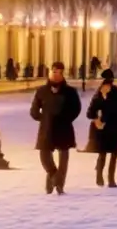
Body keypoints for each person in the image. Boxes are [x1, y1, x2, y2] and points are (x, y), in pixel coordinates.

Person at [30, 61, 82, 194]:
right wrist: (43, 118)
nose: (57, 75)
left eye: (59, 73)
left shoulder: (70, 92)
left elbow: (76, 108)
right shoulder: (42, 91)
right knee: (44, 157)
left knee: (63, 158)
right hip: (47, 128)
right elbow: (34, 110)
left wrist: (66, 118)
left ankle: (59, 186)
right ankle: (54, 176)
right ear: (50, 72)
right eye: (54, 72)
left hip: (64, 128)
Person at [85, 69, 117, 187]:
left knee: (114, 154)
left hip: (114, 126)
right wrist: (97, 117)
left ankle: (111, 178)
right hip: (102, 129)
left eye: (108, 82)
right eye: (105, 82)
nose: (106, 84)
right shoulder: (98, 94)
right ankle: (99, 175)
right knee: (103, 153)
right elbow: (90, 113)